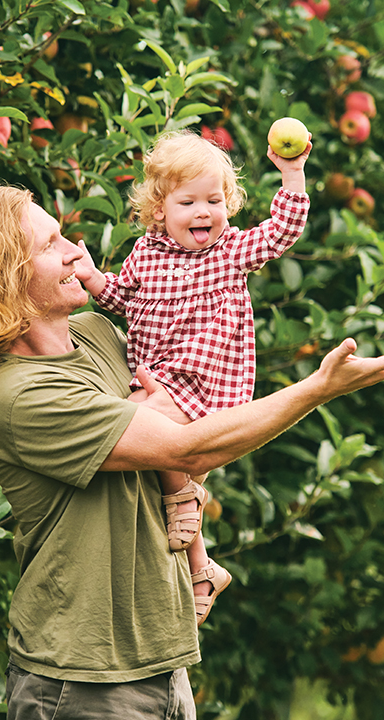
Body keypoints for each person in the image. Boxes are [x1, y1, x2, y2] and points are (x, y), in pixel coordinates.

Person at [0, 185, 384, 719]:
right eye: (50, 244)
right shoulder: (18, 396)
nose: (74, 251)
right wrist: (318, 388)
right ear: (3, 276)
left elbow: (183, 424)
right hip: (81, 680)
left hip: (164, 660)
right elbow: (186, 447)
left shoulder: (97, 333)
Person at [72, 129, 312, 627]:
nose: (204, 211)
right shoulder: (144, 255)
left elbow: (282, 230)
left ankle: (186, 496)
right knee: (145, 442)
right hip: (158, 374)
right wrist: (94, 278)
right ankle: (203, 569)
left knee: (137, 428)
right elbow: (123, 301)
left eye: (215, 199)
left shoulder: (230, 252)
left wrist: (292, 173)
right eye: (188, 202)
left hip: (207, 378)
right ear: (159, 210)